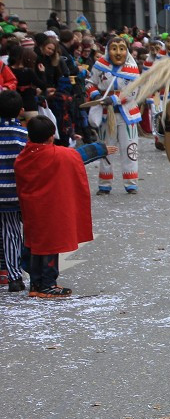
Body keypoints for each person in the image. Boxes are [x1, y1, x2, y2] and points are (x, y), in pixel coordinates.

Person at [14, 117, 109, 298]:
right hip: (50, 209)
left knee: (34, 246)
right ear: (51, 137)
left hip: (31, 209)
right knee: (50, 247)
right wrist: (100, 148)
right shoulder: (56, 154)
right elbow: (77, 156)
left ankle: (35, 284)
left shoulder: (23, 156)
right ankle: (48, 285)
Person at [85, 36, 142, 194]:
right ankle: (104, 184)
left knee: (130, 149)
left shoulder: (132, 68)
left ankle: (131, 183)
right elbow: (90, 83)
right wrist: (96, 96)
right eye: (114, 48)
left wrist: (115, 99)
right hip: (105, 115)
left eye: (122, 48)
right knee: (105, 149)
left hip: (127, 115)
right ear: (107, 50)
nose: (118, 53)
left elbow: (133, 91)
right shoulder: (100, 66)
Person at [0, 90, 28, 292]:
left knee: (8, 232)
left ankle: (8, 273)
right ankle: (20, 275)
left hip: (2, 193)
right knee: (19, 233)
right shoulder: (24, 136)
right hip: (17, 193)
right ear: (21, 111)